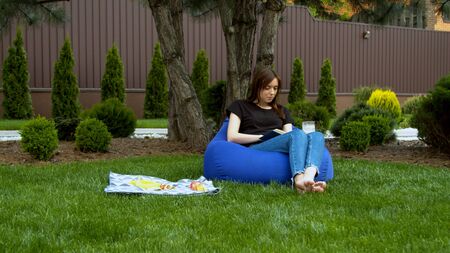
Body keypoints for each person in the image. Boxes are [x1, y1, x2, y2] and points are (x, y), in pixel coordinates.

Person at [226, 68, 327, 193]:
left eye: (275, 88)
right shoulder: (240, 106)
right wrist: (261, 137)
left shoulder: (282, 110)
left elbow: (290, 134)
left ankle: (309, 178)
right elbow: (231, 136)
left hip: (279, 143)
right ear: (257, 86)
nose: (272, 92)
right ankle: (298, 179)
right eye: (267, 88)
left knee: (317, 135)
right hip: (256, 146)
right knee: (297, 135)